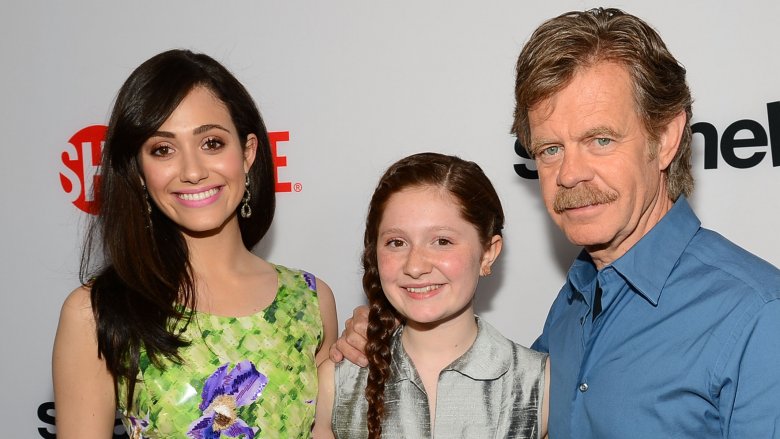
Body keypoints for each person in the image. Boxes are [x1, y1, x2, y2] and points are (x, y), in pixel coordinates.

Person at [331, 8, 780, 438]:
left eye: (600, 140)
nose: (568, 174)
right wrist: (382, 330)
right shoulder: (575, 302)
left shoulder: (758, 315)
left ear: (665, 140)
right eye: (550, 149)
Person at [52, 49, 338, 438]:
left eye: (212, 143)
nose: (192, 171)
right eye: (163, 150)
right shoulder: (97, 312)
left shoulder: (309, 301)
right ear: (138, 172)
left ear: (248, 152)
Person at [313, 153, 549, 438]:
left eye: (442, 241)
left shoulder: (539, 385)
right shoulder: (337, 383)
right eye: (396, 242)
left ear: (488, 253)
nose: (415, 266)